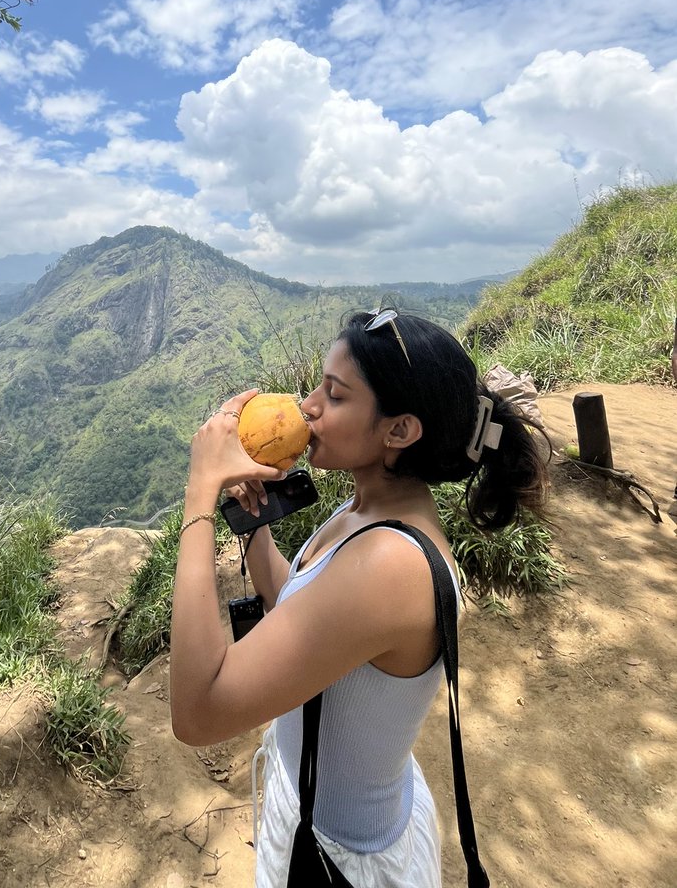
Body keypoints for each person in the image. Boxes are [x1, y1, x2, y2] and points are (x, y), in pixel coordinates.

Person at [169, 309, 548, 888]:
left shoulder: (388, 566)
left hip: (340, 860)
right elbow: (295, 609)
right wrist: (254, 528)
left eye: (335, 395)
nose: (309, 406)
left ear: (399, 431)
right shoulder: (367, 510)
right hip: (321, 811)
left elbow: (197, 713)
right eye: (319, 385)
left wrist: (200, 492)